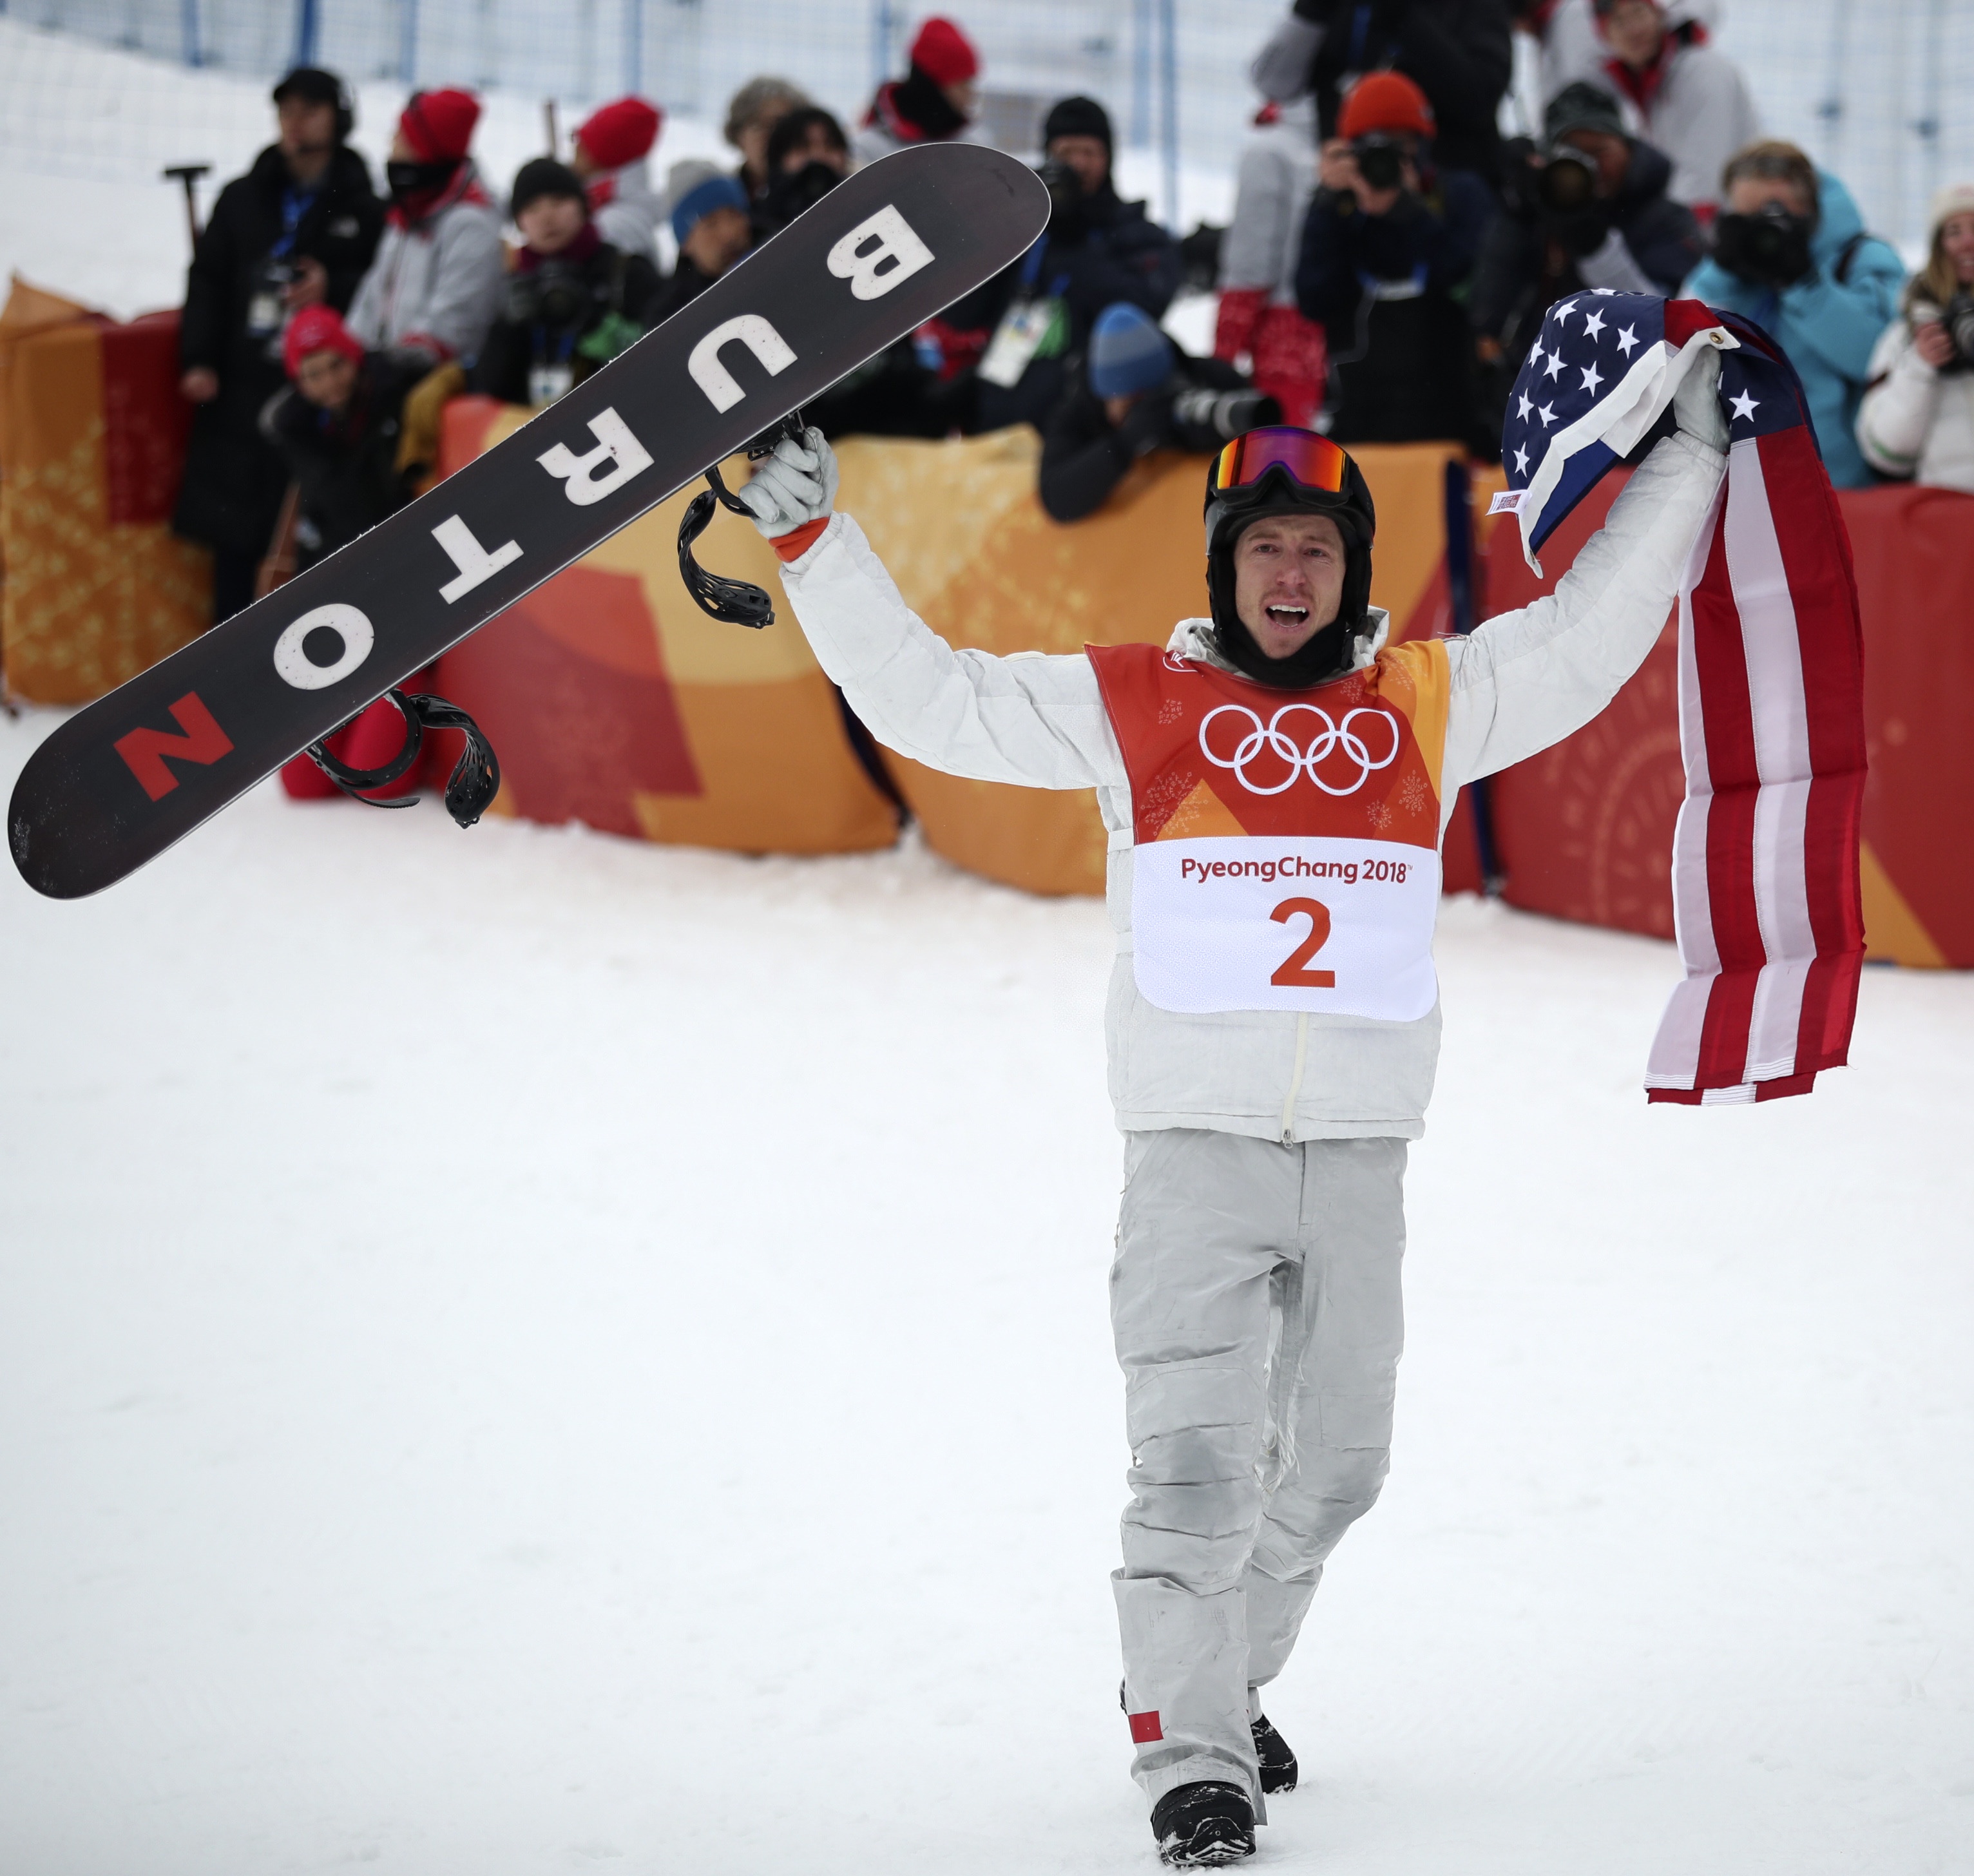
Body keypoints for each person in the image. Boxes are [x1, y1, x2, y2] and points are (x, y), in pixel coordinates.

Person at [731, 355, 1729, 1864]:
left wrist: (1692, 461)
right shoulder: (1129, 701)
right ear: (1220, 560)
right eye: (1260, 543)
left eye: (1315, 548)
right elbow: (931, 699)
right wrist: (815, 539)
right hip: (1192, 1159)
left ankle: (1202, 1677)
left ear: (1348, 572)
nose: (1287, 569)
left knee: (1336, 1467)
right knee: (1192, 1470)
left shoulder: (1425, 701)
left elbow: (1590, 638)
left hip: (1359, 1159)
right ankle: (1194, 1757)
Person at [173, 66, 383, 623]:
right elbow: (209, 279)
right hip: (242, 379)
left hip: (320, 389)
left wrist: (329, 288)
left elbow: (382, 284)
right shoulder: (244, 196)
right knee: (231, 525)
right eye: (287, 111)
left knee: (310, 530)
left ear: (338, 118)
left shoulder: (364, 203)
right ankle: (224, 658)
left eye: (310, 110)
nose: (295, 124)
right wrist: (198, 357)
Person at [1470, 82, 1702, 433]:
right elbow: (1487, 312)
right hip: (1544, 408)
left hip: (1638, 418)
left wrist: (1593, 242)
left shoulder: (1666, 220)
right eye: (1573, 153)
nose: (1590, 166)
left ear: (1627, 147)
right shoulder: (1535, 214)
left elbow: (1667, 321)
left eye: (1600, 151)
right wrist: (1516, 211)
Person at [1682, 140, 1904, 490]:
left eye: (1773, 215)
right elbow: (1680, 348)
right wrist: (1722, 271)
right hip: (1743, 479)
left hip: (1842, 483)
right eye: (1747, 217)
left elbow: (1876, 357)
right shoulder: (1736, 270)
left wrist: (1805, 284)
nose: (1762, 232)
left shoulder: (1862, 259)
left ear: (1810, 209)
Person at [1294, 70, 1493, 446]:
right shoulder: (1342, 209)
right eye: (1373, 147)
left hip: (1452, 411)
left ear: (1422, 144)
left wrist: (1411, 212)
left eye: (1400, 144)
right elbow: (1314, 298)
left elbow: (1471, 286)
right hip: (1361, 417)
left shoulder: (1459, 195)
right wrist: (1326, 207)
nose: (1385, 161)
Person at [968, 95, 1182, 434]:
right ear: (1048, 157)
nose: (1079, 165)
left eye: (1090, 153)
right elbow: (965, 314)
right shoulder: (1020, 233)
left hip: (1086, 431)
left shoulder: (1136, 234)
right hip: (1003, 420)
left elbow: (1145, 308)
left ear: (1110, 158)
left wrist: (1076, 244)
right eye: (1067, 153)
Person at [1039, 303, 1274, 522]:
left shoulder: (1207, 376)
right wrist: (1125, 444)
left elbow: (1273, 445)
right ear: (1104, 396)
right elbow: (1057, 498)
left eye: (1155, 394)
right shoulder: (1079, 413)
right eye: (1134, 401)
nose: (1149, 408)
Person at [1251, 0, 1515, 185]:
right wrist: (1312, 10)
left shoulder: (1476, 7)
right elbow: (1273, 85)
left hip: (1441, 196)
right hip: (1347, 187)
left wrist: (1405, 17)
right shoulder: (1346, 9)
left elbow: (1479, 99)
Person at [470, 159, 660, 407]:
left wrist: (606, 330)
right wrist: (510, 328)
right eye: (532, 208)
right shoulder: (516, 284)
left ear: (582, 207)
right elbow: (490, 387)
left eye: (558, 202)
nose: (546, 217)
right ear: (520, 223)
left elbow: (665, 354)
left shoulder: (624, 272)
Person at [345, 89, 506, 372]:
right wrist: (344, 357)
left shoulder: (470, 224)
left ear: (424, 148)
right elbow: (370, 302)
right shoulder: (410, 214)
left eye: (402, 137)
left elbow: (456, 320)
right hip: (386, 374)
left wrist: (389, 366)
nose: (391, 143)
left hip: (430, 388)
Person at [260, 305, 419, 572]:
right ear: (299, 382)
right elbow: (341, 503)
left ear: (354, 356)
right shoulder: (296, 427)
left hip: (407, 543)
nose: (330, 382)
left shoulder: (393, 390)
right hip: (346, 558)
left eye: (337, 365)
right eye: (314, 375)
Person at [1587, 0, 1758, 224]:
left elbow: (1704, 185)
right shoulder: (1645, 86)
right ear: (1606, 38)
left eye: (1639, 13)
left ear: (1659, 14)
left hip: (1736, 228)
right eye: (1619, 22)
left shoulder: (1702, 70)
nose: (1634, 29)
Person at [1214, 99, 1328, 429]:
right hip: (1343, 337)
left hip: (1283, 339)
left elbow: (1252, 262)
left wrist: (1225, 348)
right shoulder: (1347, 141)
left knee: (1277, 462)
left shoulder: (1268, 151)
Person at [1857, 185, 1974, 494]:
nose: (1968, 242)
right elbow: (1886, 451)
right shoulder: (1905, 336)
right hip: (1947, 517)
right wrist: (1920, 369)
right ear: (1937, 247)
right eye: (1954, 231)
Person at [854, 15, 981, 166]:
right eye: (962, 84)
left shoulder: (974, 144)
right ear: (932, 88)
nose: (971, 93)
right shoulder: (872, 148)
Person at [643, 162, 753, 326]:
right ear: (686, 244)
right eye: (710, 224)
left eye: (734, 215)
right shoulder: (672, 319)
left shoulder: (784, 247)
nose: (729, 233)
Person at [570, 96, 665, 267]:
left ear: (600, 156)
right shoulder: (603, 200)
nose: (574, 149)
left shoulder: (614, 225)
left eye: (583, 143)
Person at [753, 106, 854, 240]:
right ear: (779, 160)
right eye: (803, 147)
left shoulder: (868, 207)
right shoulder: (756, 230)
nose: (818, 156)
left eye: (830, 145)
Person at [724, 77, 812, 204]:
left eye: (781, 124)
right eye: (758, 125)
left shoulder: (822, 190)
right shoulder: (721, 200)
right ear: (738, 135)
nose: (771, 135)